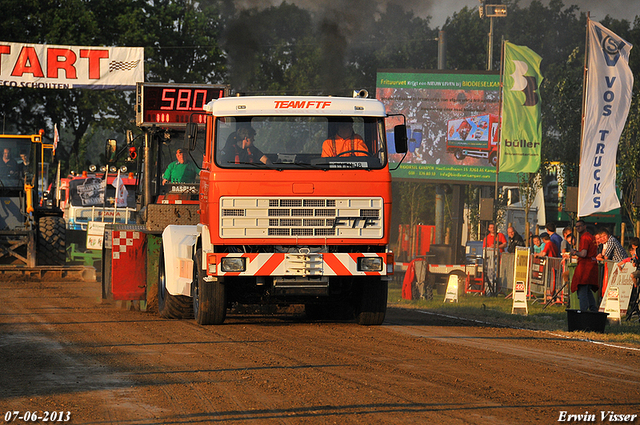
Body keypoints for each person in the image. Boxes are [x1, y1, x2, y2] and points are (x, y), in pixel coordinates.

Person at [570, 220, 600, 312]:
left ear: (584, 226)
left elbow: (583, 254)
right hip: (591, 266)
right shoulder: (591, 237)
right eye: (576, 226)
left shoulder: (585, 238)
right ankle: (593, 310)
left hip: (585, 268)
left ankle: (583, 312)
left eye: (580, 226)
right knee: (587, 291)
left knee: (582, 290)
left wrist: (574, 252)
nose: (578, 228)